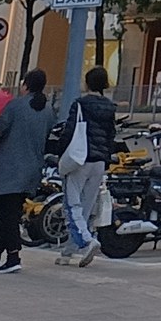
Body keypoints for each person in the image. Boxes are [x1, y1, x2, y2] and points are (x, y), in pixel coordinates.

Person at [0, 68, 56, 272]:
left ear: (26, 85)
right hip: (33, 168)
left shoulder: (15, 106)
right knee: (12, 211)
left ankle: (13, 256)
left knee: (8, 214)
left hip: (10, 167)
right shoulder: (48, 110)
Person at [53, 66, 118, 267]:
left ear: (87, 83)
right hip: (99, 161)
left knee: (72, 205)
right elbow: (111, 135)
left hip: (80, 159)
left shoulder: (80, 104)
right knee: (86, 206)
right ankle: (69, 251)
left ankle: (87, 241)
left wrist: (60, 154)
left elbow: (69, 131)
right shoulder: (110, 107)